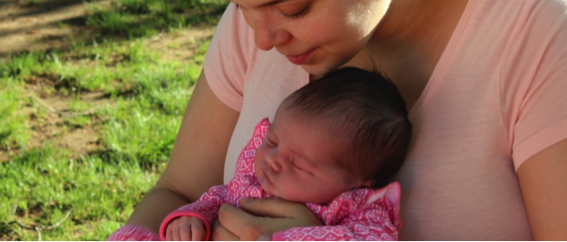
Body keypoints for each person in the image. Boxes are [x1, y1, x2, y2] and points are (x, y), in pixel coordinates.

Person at [108, 0, 567, 240]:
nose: (262, 40)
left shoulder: (545, 35)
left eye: (293, 9)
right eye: (240, 5)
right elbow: (179, 189)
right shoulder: (259, 15)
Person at [160, 67, 411, 242]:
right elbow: (218, 197)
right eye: (272, 140)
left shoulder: (360, 213)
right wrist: (193, 219)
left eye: (298, 164)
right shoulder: (253, 179)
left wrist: (293, 236)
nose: (272, 159)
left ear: (355, 183)